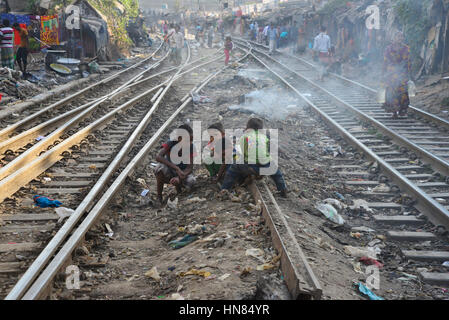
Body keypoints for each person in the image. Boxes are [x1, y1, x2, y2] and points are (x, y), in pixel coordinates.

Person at [221, 118, 288, 198]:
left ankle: (224, 189)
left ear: (247, 127)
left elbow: (240, 153)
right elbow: (267, 150)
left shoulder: (244, 137)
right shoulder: (264, 137)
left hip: (251, 165)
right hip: (266, 165)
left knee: (232, 171)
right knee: (277, 174)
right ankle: (283, 189)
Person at [154, 124, 197, 204]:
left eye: (191, 140)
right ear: (179, 138)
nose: (190, 142)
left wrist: (179, 177)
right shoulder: (171, 143)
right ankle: (159, 197)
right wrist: (176, 168)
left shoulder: (191, 147)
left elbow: (190, 168)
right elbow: (158, 157)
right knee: (159, 169)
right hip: (170, 171)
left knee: (192, 181)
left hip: (182, 173)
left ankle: (179, 187)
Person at [382, 31, 411, 119]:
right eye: (398, 36)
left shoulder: (406, 48)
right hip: (390, 75)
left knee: (402, 92)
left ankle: (402, 110)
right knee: (391, 93)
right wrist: (383, 73)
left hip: (402, 74)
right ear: (393, 38)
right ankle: (394, 112)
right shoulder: (388, 49)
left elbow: (408, 61)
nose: (400, 38)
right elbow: (385, 61)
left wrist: (407, 72)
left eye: (401, 37)